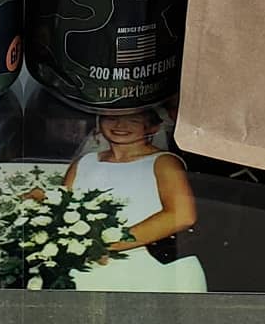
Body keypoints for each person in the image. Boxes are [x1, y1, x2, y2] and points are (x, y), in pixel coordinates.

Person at [62, 109, 207, 292]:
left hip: (151, 269)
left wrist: (105, 245)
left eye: (133, 120)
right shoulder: (84, 163)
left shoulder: (164, 162)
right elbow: (62, 211)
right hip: (89, 269)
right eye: (112, 118)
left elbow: (182, 216)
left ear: (152, 127)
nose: (120, 125)